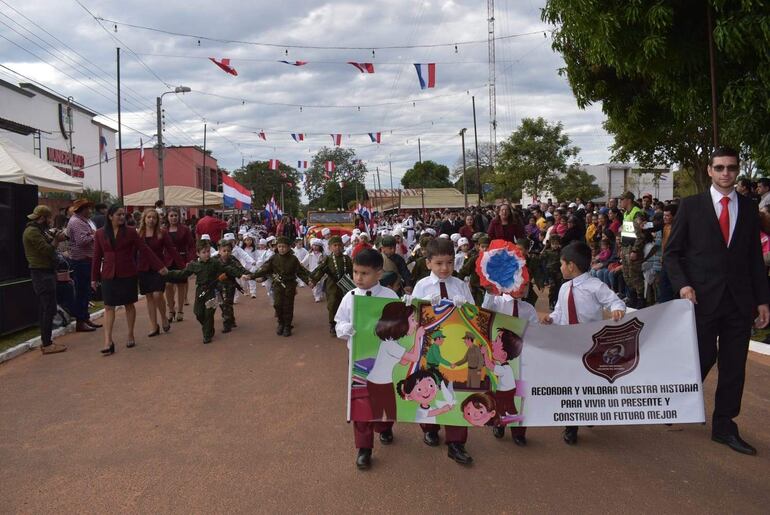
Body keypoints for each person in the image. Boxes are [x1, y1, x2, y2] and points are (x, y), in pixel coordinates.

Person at [664, 147, 770, 456]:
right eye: (720, 167)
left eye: (731, 168)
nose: (726, 173)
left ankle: (724, 426)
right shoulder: (691, 206)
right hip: (701, 300)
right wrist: (683, 286)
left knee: (734, 366)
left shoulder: (750, 210)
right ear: (710, 171)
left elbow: (753, 259)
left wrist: (763, 300)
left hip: (739, 302)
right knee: (701, 357)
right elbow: (672, 254)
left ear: (737, 172)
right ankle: (677, 403)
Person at [334, 249, 419, 470]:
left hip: (385, 361)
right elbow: (338, 322)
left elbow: (400, 325)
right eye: (355, 272)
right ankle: (364, 447)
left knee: (385, 401)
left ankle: (385, 427)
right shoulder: (350, 297)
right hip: (360, 361)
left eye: (365, 273)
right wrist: (347, 328)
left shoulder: (389, 297)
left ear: (379, 274)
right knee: (361, 404)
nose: (359, 278)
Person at [542, 241, 625, 444]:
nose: (560, 268)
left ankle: (588, 411)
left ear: (571, 265)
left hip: (589, 344)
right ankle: (572, 425)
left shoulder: (595, 286)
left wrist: (617, 308)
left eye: (562, 264)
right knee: (570, 382)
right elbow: (560, 312)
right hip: (567, 342)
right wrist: (551, 318)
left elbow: (615, 301)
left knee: (588, 381)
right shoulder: (563, 288)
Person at [408, 237, 475, 465]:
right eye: (438, 263)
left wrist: (463, 308)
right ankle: (429, 427)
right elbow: (414, 317)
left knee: (456, 392)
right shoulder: (422, 286)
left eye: (449, 262)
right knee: (429, 388)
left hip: (455, 348)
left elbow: (475, 315)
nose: (444, 268)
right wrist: (426, 304)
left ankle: (456, 442)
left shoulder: (460, 285)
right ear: (428, 263)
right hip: (430, 349)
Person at [91, 205, 168, 355]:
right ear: (110, 216)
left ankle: (130, 334)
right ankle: (108, 341)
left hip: (128, 273)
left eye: (123, 215)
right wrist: (93, 277)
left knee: (128, 304)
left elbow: (144, 250)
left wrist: (159, 266)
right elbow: (96, 256)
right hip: (108, 274)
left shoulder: (131, 232)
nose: (122, 217)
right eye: (118, 215)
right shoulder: (100, 233)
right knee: (108, 307)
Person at [166, 240, 244, 344]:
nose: (207, 254)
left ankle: (207, 334)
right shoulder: (194, 265)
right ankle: (208, 326)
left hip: (212, 290)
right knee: (198, 312)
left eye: (208, 251)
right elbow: (182, 273)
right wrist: (167, 273)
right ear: (198, 253)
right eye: (204, 252)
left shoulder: (215, 263)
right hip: (201, 291)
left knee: (209, 313)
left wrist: (241, 274)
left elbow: (227, 268)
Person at [23, 205, 68, 354]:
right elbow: (48, 250)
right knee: (48, 308)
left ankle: (46, 341)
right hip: (41, 274)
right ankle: (47, 344)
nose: (50, 221)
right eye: (48, 218)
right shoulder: (32, 232)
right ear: (42, 218)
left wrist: (56, 236)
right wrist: (56, 240)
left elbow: (50, 243)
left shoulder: (38, 230)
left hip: (45, 272)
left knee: (47, 308)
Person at [252, 236, 312, 337]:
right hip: (277, 285)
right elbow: (265, 269)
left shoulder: (293, 259)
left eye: (284, 247)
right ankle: (281, 323)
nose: (281, 249)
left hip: (289, 285)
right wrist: (252, 276)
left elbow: (300, 272)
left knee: (288, 306)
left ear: (288, 247)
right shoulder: (274, 258)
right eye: (279, 246)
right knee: (278, 304)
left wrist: (308, 281)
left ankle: (287, 326)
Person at [137, 209, 178, 337]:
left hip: (159, 268)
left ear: (157, 220)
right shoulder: (139, 234)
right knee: (149, 297)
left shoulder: (162, 233)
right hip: (143, 268)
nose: (151, 220)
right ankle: (154, 325)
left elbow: (171, 249)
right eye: (148, 217)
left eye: (154, 218)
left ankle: (164, 317)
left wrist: (182, 265)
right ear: (144, 219)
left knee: (157, 294)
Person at [66, 199, 101, 333]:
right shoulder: (76, 222)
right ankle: (80, 321)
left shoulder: (81, 221)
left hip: (85, 260)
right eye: (89, 208)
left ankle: (85, 318)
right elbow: (81, 241)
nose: (91, 211)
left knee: (86, 291)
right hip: (81, 261)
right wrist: (94, 235)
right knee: (82, 292)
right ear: (83, 209)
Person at [310, 236, 354, 335]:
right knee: (332, 304)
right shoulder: (328, 259)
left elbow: (352, 271)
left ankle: (343, 323)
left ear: (343, 246)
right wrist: (314, 281)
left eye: (339, 245)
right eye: (335, 245)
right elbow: (320, 270)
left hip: (344, 284)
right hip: (331, 285)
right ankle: (332, 325)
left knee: (345, 304)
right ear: (330, 247)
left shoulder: (346, 258)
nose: (337, 247)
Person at [164, 208, 195, 322]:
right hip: (167, 261)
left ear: (179, 216)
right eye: (171, 216)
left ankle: (180, 310)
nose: (173, 218)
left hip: (181, 260)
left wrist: (190, 259)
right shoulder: (163, 230)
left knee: (181, 285)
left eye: (175, 215)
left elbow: (191, 245)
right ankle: (171, 310)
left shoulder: (185, 229)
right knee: (168, 285)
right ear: (167, 217)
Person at [215, 239, 250, 333]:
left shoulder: (233, 259)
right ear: (219, 250)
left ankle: (227, 324)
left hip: (230, 285)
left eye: (229, 251)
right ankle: (231, 318)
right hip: (218, 286)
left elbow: (240, 268)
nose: (226, 253)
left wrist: (250, 275)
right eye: (224, 251)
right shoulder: (214, 260)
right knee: (222, 304)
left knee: (227, 303)